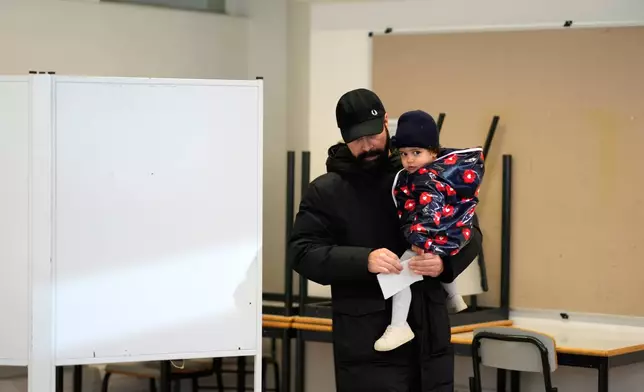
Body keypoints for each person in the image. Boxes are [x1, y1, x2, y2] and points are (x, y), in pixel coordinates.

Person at [288, 88, 483, 392]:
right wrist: (363, 260)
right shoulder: (326, 191)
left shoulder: (423, 172)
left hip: (430, 343)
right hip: (368, 349)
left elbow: (469, 232)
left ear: (386, 123)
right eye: (356, 139)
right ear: (342, 136)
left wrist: (444, 262)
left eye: (372, 135)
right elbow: (301, 253)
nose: (367, 146)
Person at [374, 110, 485, 352]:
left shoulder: (428, 179)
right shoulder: (441, 173)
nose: (409, 160)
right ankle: (455, 297)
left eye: (416, 153)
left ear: (433, 152)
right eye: (404, 154)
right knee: (439, 263)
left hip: (430, 237)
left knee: (399, 273)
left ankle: (399, 324)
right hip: (450, 235)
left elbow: (428, 214)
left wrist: (419, 239)